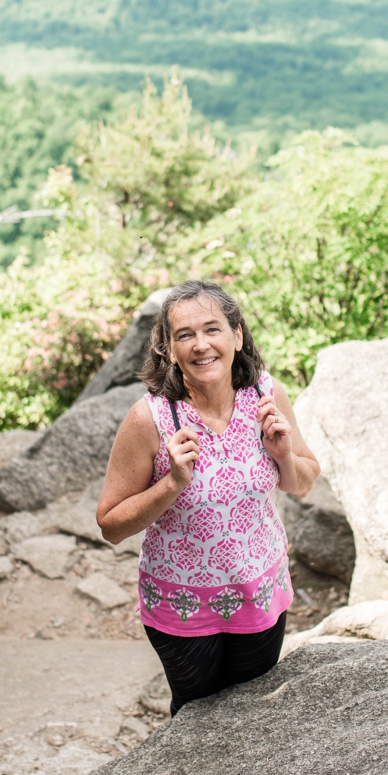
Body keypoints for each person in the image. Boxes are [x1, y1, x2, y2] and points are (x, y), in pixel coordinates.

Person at [96, 279, 320, 716]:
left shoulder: (266, 396)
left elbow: (305, 481)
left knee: (253, 714)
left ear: (237, 335)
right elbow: (110, 525)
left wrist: (283, 457)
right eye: (185, 335)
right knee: (195, 720)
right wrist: (172, 483)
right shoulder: (150, 418)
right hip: (183, 610)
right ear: (168, 349)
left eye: (212, 329)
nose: (201, 345)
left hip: (260, 594)